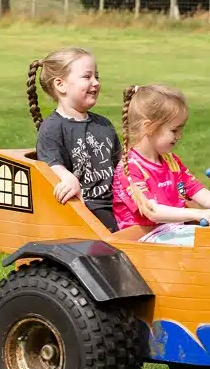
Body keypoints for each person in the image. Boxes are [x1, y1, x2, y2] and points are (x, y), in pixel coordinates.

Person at [28, 47, 120, 231]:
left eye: (97, 76)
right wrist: (66, 177)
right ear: (60, 85)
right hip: (85, 209)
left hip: (116, 203)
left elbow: (119, 164)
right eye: (87, 77)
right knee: (123, 240)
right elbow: (50, 164)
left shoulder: (103, 125)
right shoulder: (52, 128)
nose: (95, 83)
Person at [112, 84, 210, 229]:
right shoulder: (130, 168)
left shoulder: (172, 161)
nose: (179, 135)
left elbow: (195, 189)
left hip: (174, 233)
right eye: (174, 130)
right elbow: (152, 211)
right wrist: (198, 214)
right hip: (146, 239)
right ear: (149, 127)